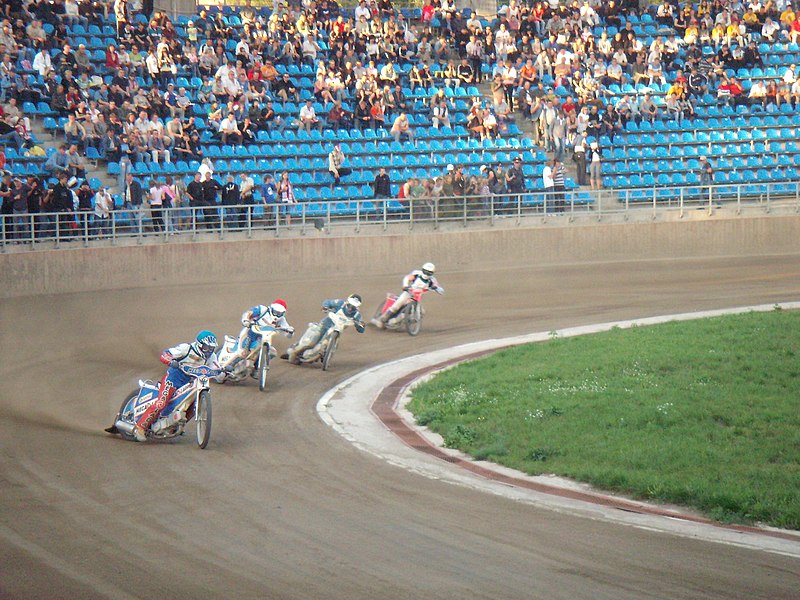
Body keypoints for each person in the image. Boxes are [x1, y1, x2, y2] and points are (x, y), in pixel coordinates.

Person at [133, 330, 220, 441]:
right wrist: (170, 361)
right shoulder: (186, 348)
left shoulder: (211, 356)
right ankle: (140, 427)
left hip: (190, 383)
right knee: (161, 403)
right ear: (199, 345)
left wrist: (224, 370)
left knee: (193, 407)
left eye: (211, 348)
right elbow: (166, 354)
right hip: (173, 380)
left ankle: (177, 425)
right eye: (206, 347)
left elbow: (216, 367)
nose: (209, 351)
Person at [284, 295, 366, 363]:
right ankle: (295, 351)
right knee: (310, 342)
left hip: (336, 331)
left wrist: (360, 325)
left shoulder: (357, 316)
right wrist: (326, 307)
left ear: (357, 307)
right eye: (349, 306)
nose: (350, 309)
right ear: (347, 303)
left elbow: (361, 329)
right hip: (325, 325)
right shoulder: (340, 303)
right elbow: (328, 302)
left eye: (353, 308)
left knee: (321, 345)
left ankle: (322, 353)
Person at [225, 300, 295, 377]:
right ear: (271, 309)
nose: (277, 315)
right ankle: (231, 364)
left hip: (263, 339)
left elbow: (287, 333)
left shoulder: (282, 320)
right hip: (249, 334)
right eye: (275, 312)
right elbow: (248, 313)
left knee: (271, 352)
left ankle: (257, 368)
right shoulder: (262, 309)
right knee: (243, 352)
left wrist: (290, 331)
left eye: (280, 313)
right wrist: (246, 320)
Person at [373, 263, 444, 328]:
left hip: (417, 298)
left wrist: (437, 288)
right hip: (408, 293)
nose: (427, 274)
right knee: (397, 305)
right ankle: (383, 318)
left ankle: (398, 321)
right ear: (422, 270)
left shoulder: (432, 280)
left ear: (432, 273)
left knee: (421, 312)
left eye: (429, 272)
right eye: (425, 271)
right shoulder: (417, 274)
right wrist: (405, 285)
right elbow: (407, 278)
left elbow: (440, 289)